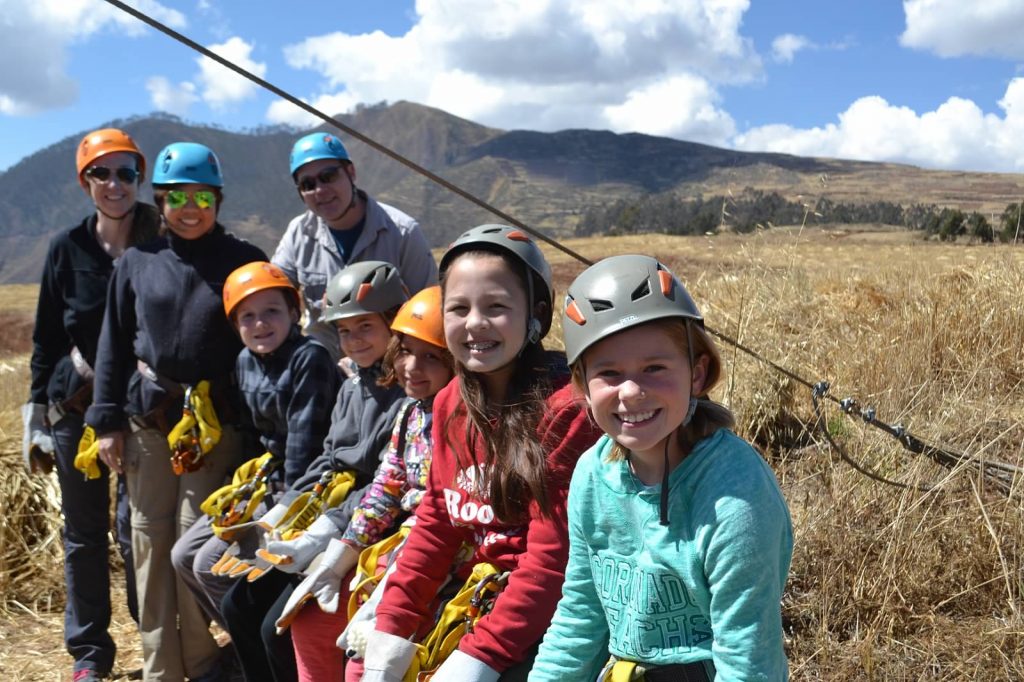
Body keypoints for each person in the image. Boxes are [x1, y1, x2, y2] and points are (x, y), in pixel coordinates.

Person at [529, 255, 794, 681]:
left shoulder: (735, 496)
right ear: (582, 386)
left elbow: (747, 654)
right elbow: (581, 614)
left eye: (655, 368)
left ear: (697, 372)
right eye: (609, 373)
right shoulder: (593, 475)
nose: (631, 392)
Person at [361, 224, 603, 682]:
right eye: (458, 308)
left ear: (535, 314)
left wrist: (482, 657)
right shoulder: (451, 402)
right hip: (482, 593)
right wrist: (392, 623)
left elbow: (552, 557)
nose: (474, 323)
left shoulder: (564, 410)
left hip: (549, 611)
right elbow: (437, 520)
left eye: (496, 307)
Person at [85, 141, 267, 682]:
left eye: (202, 196)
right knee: (149, 542)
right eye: (178, 196)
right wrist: (105, 422)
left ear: (218, 199)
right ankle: (160, 667)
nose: (190, 207)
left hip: (217, 430)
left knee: (194, 543)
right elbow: (113, 346)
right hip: (147, 427)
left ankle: (205, 663)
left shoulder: (244, 261)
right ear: (160, 201)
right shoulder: (138, 264)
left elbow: (267, 340)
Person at [217, 260, 410, 682]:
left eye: (364, 327)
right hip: (335, 514)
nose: (353, 340)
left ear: (393, 322)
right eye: (344, 331)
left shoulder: (406, 396)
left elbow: (385, 483)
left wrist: (322, 530)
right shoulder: (354, 385)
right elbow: (328, 459)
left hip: (366, 525)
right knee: (237, 606)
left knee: (276, 629)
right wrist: (283, 511)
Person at [23, 127, 158, 682]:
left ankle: (152, 639)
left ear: (138, 179)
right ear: (86, 182)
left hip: (138, 411)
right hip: (74, 411)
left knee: (134, 529)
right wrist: (33, 417)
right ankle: (89, 654)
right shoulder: (66, 249)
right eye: (101, 173)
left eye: (125, 172)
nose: (114, 183)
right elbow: (46, 337)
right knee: (82, 533)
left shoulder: (160, 240)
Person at [276, 285, 455, 681]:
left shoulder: (461, 421)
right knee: (309, 621)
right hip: (391, 550)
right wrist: (341, 553)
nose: (411, 366)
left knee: (365, 660)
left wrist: (396, 576)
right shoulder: (411, 414)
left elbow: (444, 517)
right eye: (405, 350)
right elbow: (386, 487)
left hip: (429, 559)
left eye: (430, 357)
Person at [171, 261, 341, 635]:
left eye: (272, 312)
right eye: (247, 317)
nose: (260, 324)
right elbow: (256, 436)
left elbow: (304, 446)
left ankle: (259, 652)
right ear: (235, 326)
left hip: (305, 484)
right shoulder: (245, 361)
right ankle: (246, 644)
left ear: (295, 313)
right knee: (183, 556)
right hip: (268, 478)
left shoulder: (308, 358)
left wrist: (284, 514)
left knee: (207, 565)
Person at [271, 131, 438, 360]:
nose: (320, 190)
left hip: (392, 369)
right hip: (324, 370)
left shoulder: (402, 232)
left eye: (328, 176)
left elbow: (428, 308)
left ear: (351, 172)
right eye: (308, 184)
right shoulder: (298, 234)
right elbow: (273, 296)